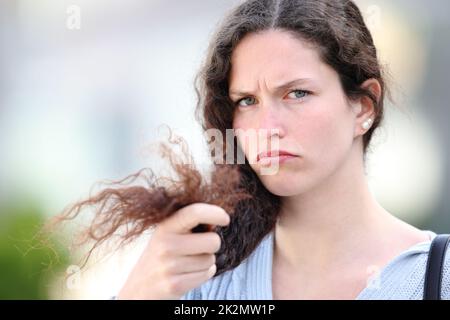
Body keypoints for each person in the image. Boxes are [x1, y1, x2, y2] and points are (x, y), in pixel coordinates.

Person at [96, 0, 450, 300]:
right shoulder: (203, 282)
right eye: (247, 101)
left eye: (297, 93)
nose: (267, 128)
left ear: (363, 106)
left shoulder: (437, 277)